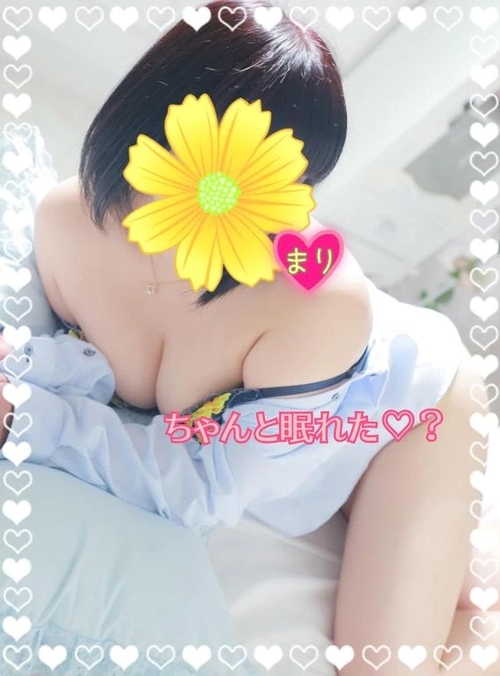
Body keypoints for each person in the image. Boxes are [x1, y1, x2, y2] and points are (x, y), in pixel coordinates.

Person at [0, 1, 497, 674]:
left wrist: (28, 420)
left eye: (277, 178)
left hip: (402, 423)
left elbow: (203, 488)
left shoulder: (315, 297)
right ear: (149, 114)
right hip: (300, 427)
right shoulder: (69, 221)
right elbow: (86, 369)